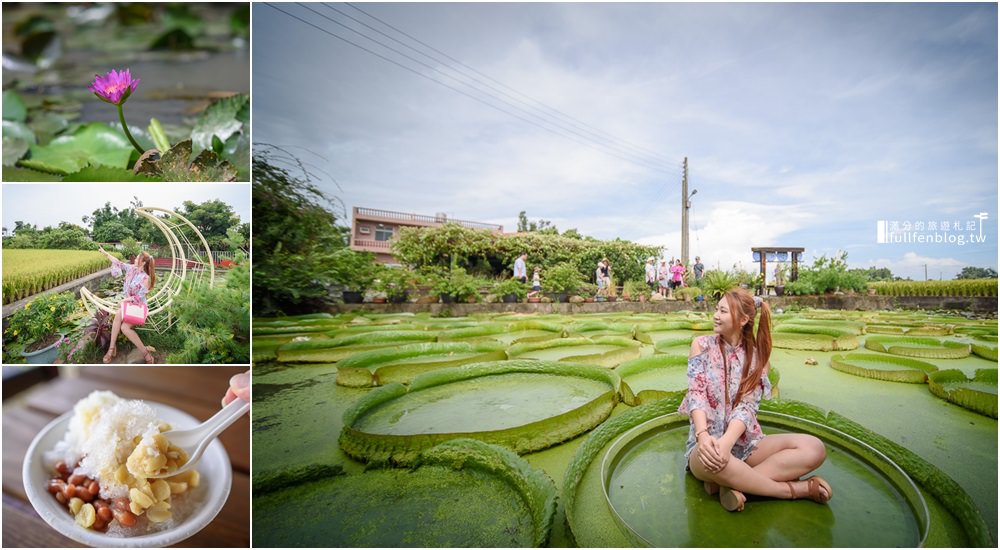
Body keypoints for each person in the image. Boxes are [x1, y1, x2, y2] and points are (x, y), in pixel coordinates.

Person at [679, 288, 831, 512]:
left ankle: (733, 484)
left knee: (814, 448)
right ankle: (794, 491)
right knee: (715, 461)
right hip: (705, 447)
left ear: (743, 319)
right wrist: (703, 437)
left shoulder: (758, 355)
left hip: (745, 445)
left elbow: (747, 407)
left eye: (723, 311)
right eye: (716, 309)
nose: (715, 315)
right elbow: (697, 394)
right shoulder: (700, 345)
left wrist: (728, 442)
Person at [98, 246, 156, 364]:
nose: (134, 259)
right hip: (128, 306)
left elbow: (139, 298)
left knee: (124, 326)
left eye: (137, 258)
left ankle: (144, 353)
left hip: (139, 307)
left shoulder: (146, 278)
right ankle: (112, 348)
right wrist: (105, 253)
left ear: (143, 262)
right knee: (121, 320)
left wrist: (124, 301)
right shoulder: (132, 269)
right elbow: (118, 262)